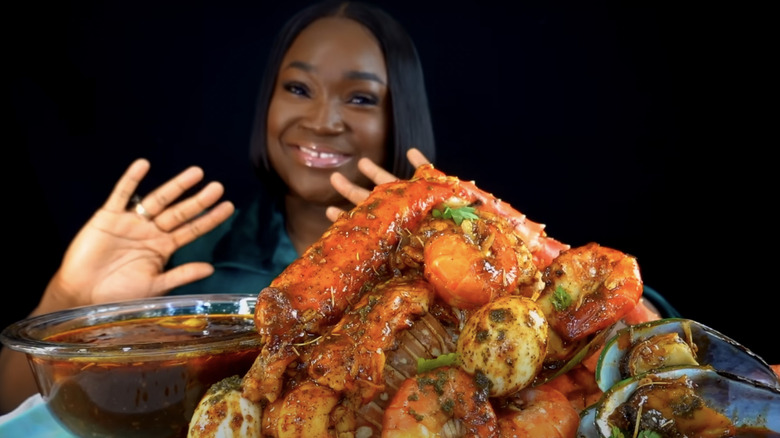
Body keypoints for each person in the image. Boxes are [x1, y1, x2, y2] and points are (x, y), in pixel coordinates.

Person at [0, 0, 435, 413]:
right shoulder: (187, 263)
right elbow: (11, 412)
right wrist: (70, 298)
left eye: (360, 98)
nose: (321, 120)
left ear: (400, 118)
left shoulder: (443, 267)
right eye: (298, 88)